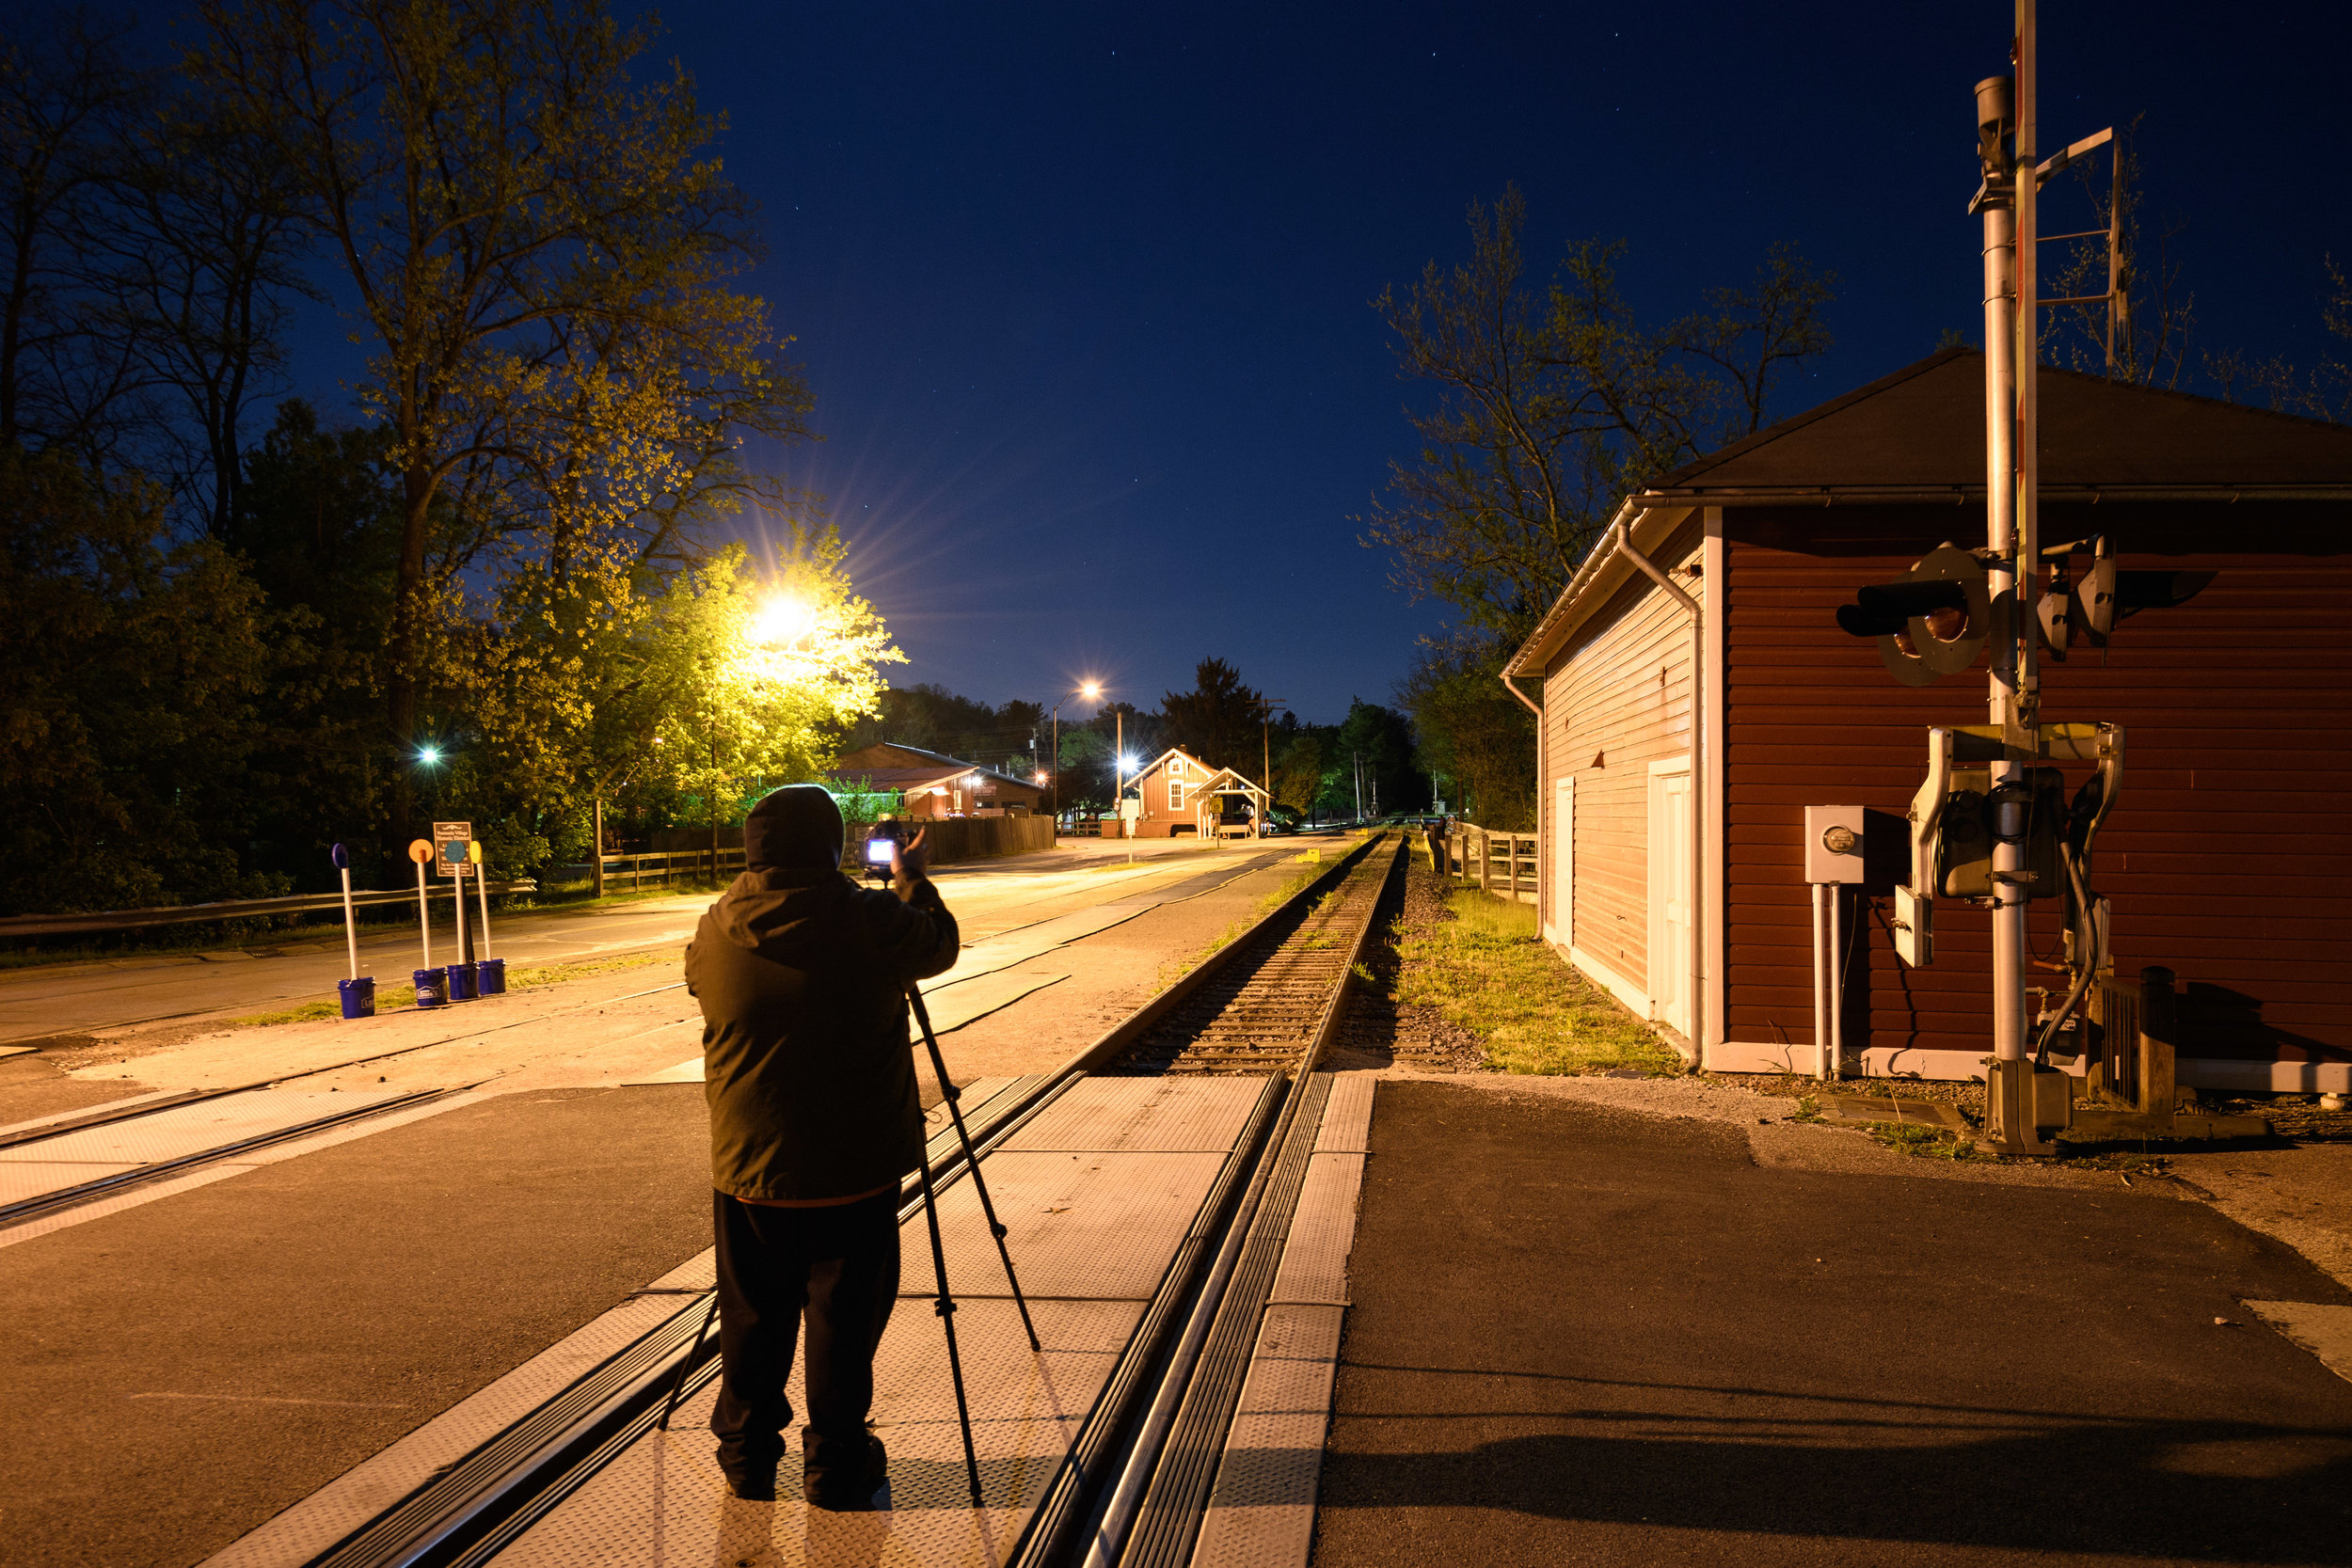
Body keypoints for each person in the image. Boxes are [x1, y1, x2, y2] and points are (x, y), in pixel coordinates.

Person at [684, 787, 959, 1509]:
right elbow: (940, 945)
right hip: (853, 1167)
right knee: (842, 1318)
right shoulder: (869, 917)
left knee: (752, 1314)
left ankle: (746, 1456)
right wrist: (909, 876)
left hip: (748, 1167)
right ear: (830, 846)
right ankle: (837, 1464)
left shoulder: (715, 926)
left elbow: (696, 984)